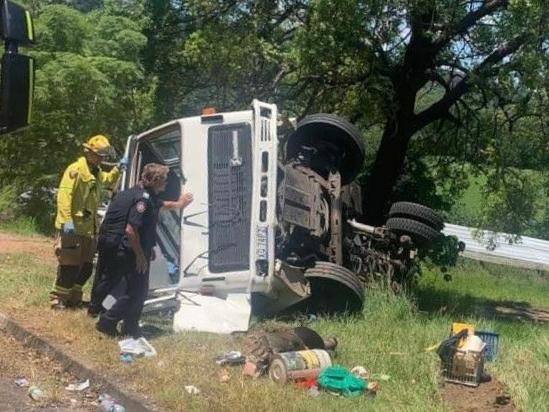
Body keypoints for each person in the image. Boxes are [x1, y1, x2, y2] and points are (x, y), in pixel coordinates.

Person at [94, 163, 193, 337]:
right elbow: (131, 230)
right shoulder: (143, 200)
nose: (166, 183)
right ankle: (107, 321)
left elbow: (163, 205)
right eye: (164, 180)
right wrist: (140, 254)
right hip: (131, 253)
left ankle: (131, 325)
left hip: (140, 251)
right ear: (155, 180)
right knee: (135, 293)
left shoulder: (150, 197)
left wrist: (180, 204)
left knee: (139, 292)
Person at [50, 135, 125, 309]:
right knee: (69, 264)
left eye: (103, 156)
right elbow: (64, 198)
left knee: (85, 267)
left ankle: (74, 297)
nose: (101, 159)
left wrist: (118, 169)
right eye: (99, 155)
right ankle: (58, 298)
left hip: (89, 228)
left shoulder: (97, 172)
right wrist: (67, 225)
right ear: (88, 152)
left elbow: (107, 180)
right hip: (73, 227)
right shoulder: (75, 170)